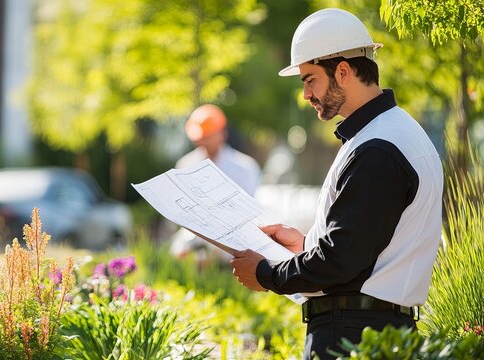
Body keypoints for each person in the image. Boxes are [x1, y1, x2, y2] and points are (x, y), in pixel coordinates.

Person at [229, 8, 443, 360]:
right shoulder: (391, 134)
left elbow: (339, 261)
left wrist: (266, 274)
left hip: (354, 334)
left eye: (310, 79)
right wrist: (305, 244)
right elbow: (361, 248)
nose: (306, 94)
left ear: (343, 71)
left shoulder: (378, 148)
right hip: (371, 329)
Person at [171, 104, 261, 260]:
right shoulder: (185, 164)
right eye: (200, 137)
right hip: (195, 237)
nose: (202, 141)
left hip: (234, 240)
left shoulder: (245, 167)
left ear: (222, 133)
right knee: (177, 252)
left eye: (207, 136)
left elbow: (247, 211)